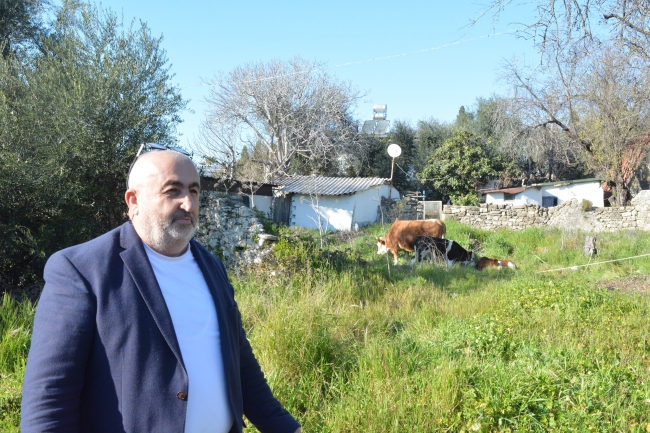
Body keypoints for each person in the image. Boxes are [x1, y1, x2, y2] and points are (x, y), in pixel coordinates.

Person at [21, 149, 301, 433]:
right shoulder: (82, 270)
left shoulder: (212, 267)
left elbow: (239, 362)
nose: (188, 204)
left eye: (194, 191)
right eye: (173, 191)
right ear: (134, 201)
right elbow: (50, 397)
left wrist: (284, 427)